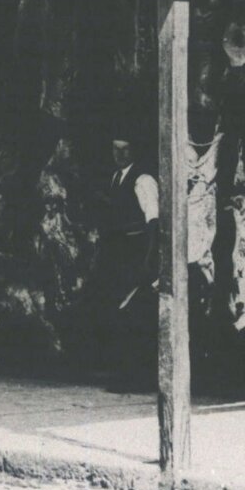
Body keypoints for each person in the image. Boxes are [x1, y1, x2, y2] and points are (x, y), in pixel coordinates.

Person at [94, 136, 160, 384]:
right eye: (115, 149)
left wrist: (148, 261)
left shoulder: (143, 181)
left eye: (125, 149)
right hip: (118, 255)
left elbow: (153, 222)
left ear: (134, 150)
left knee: (133, 312)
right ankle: (121, 370)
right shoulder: (116, 177)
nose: (119, 155)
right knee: (117, 310)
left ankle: (132, 374)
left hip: (136, 254)